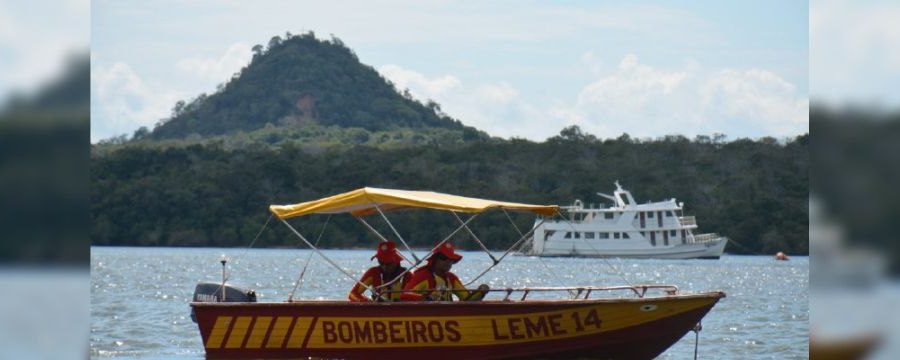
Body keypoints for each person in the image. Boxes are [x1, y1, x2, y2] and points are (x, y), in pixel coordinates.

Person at [401, 242, 489, 301]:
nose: (448, 262)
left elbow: (466, 299)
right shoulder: (422, 275)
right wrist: (426, 299)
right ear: (435, 260)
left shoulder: (451, 278)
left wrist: (481, 291)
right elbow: (404, 296)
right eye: (444, 258)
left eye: (451, 260)